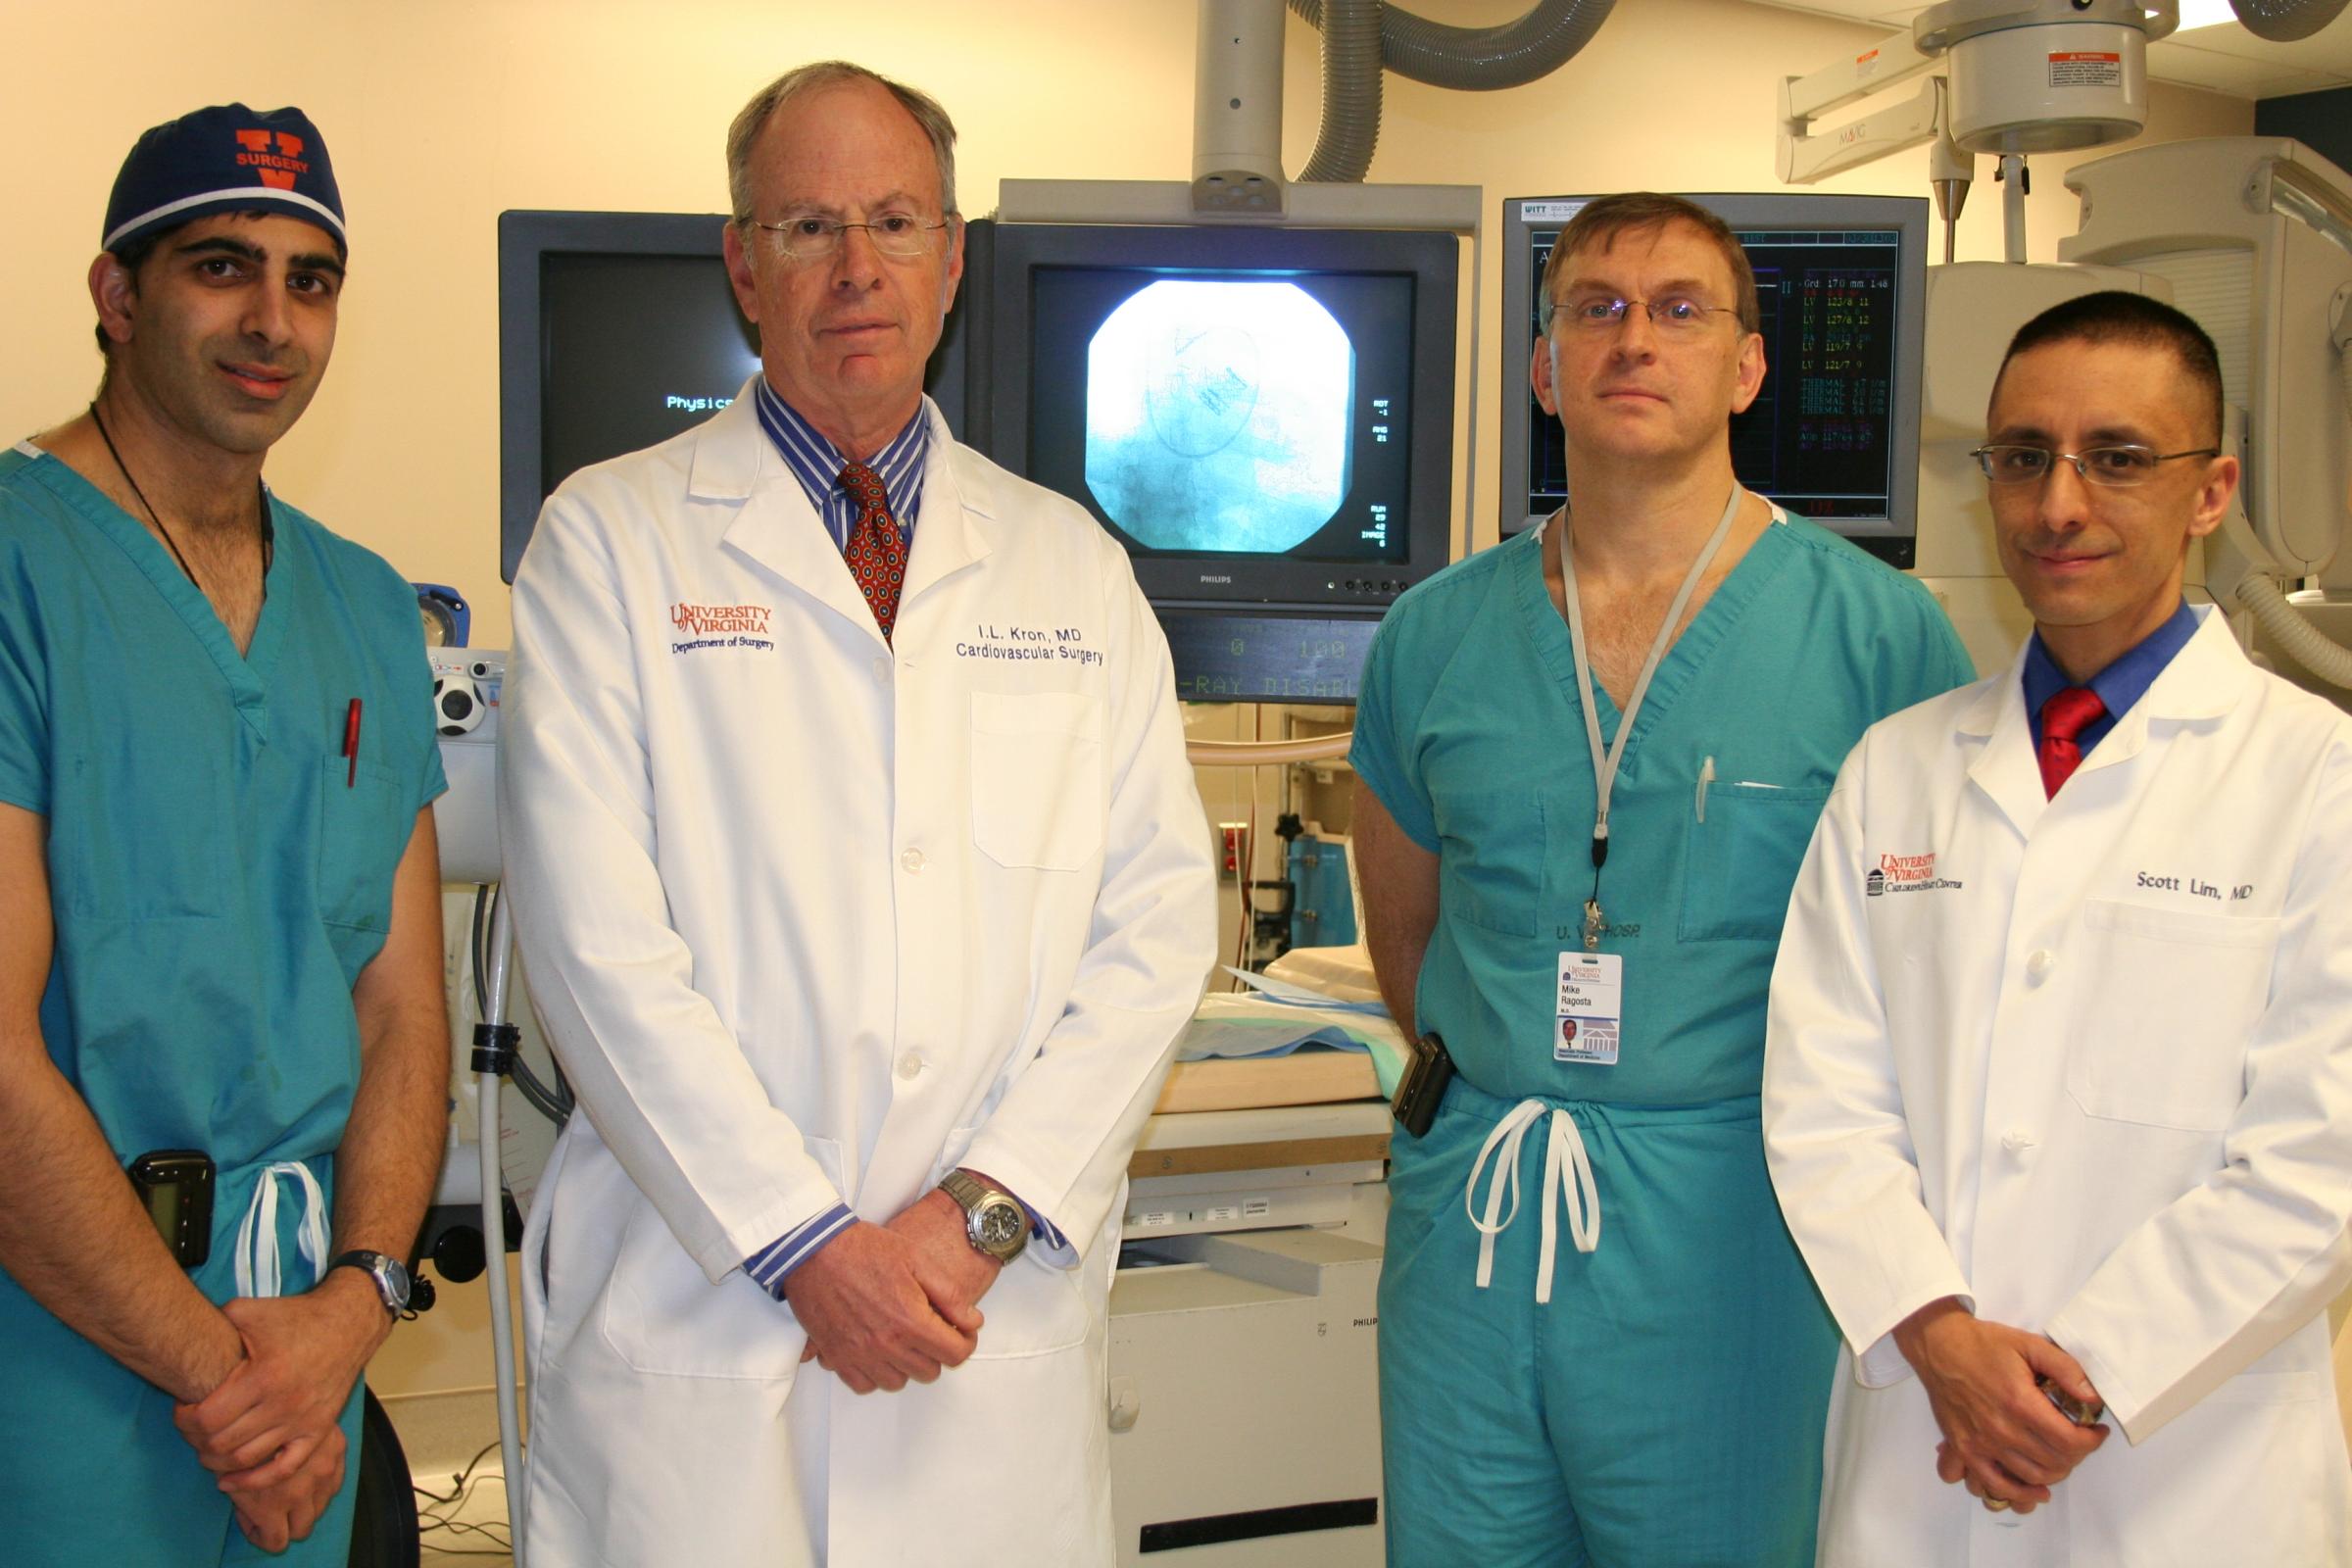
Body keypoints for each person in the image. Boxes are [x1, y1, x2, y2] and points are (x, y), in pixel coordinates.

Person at [500, 60, 1216, 1565]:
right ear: (741, 259)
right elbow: (591, 944)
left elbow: (1153, 934)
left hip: (983, 1330)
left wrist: (981, 1214)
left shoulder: (1068, 566)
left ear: (954, 260)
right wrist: (804, 1242)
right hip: (706, 1328)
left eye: (895, 221)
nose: (854, 268)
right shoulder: (609, 542)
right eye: (808, 223)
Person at [1349, 191, 1974, 1566]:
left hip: (1739, 1234)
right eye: (1598, 308)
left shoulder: (1880, 640)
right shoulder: (1433, 638)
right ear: (1544, 364)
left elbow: (1934, 975)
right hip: (1477, 1217)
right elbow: (1406, 935)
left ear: (1747, 368)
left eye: (1681, 309)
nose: (1637, 339)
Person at [1763, 289, 2352, 1565]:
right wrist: (1942, 1342)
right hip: (1923, 1447)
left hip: (2189, 1470)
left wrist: (2077, 1379)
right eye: (2025, 457)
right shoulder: (1898, 769)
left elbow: (2319, 1163)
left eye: (2119, 459)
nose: (2059, 503)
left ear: (2211, 492)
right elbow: (1821, 1102)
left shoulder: (2318, 778)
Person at [0, 105, 451, 1564]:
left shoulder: (371, 609)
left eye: (310, 280)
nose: (272, 320)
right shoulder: (21, 566)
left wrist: (356, 1305)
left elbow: (403, 1012)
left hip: (301, 1373)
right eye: (221, 266)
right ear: (116, 295)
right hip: (65, 1364)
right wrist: (226, 1385)